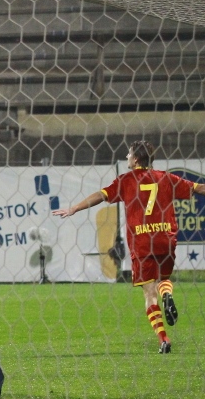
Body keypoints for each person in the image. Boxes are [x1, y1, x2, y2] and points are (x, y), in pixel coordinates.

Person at [53, 140, 205, 354]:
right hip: (165, 238)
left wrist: (74, 208)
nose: (126, 156)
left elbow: (100, 195)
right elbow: (199, 188)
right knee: (164, 278)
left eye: (129, 154)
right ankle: (167, 294)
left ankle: (164, 339)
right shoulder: (166, 178)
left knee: (149, 293)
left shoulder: (126, 180)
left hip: (142, 243)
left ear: (135, 159)